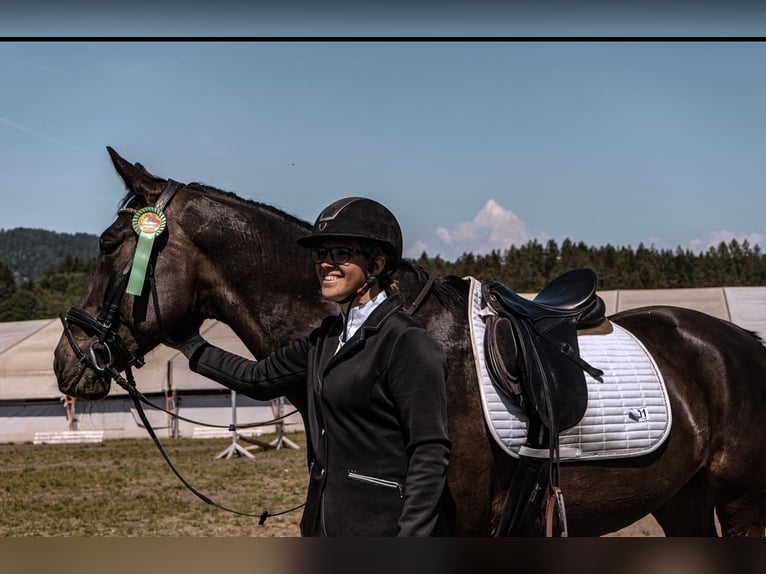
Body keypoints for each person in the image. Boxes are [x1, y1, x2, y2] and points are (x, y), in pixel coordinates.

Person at [177, 197, 451, 537]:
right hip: (324, 527)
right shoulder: (325, 338)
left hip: (381, 531)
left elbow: (430, 450)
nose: (325, 264)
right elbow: (256, 379)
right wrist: (190, 344)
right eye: (320, 254)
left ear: (377, 264)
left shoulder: (407, 343)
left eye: (340, 254)